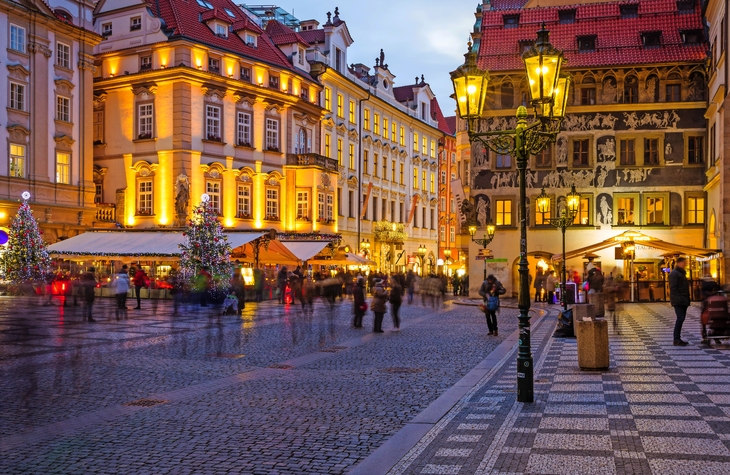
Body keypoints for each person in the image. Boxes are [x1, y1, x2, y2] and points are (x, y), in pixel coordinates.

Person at [669, 257, 691, 346]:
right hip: (679, 299)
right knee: (680, 318)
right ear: (679, 263)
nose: (685, 264)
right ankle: (676, 339)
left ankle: (677, 338)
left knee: (681, 318)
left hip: (683, 299)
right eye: (684, 263)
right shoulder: (675, 273)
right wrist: (678, 298)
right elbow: (673, 287)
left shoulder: (681, 273)